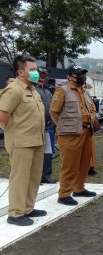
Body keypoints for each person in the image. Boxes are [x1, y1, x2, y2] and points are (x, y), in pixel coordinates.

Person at [0, 54, 46, 226]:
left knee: (33, 177)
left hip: (36, 141)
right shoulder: (14, 90)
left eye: (36, 69)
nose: (36, 72)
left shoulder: (33, 90)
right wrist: (12, 133)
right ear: (20, 72)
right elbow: (2, 116)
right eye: (32, 70)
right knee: (20, 178)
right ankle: (15, 213)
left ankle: (28, 208)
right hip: (21, 143)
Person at [50, 64, 97, 206]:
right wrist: (63, 127)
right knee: (69, 164)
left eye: (83, 74)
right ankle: (64, 194)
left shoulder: (85, 91)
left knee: (84, 162)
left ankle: (79, 188)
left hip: (86, 131)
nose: (81, 76)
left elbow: (93, 107)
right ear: (69, 76)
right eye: (78, 74)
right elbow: (53, 112)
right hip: (69, 134)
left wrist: (92, 117)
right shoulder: (62, 91)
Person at [36, 67, 57, 184]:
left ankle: (47, 175)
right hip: (37, 127)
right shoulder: (32, 90)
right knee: (37, 152)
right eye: (40, 75)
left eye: (44, 76)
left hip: (49, 127)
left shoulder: (48, 92)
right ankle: (36, 176)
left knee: (48, 152)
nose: (42, 78)